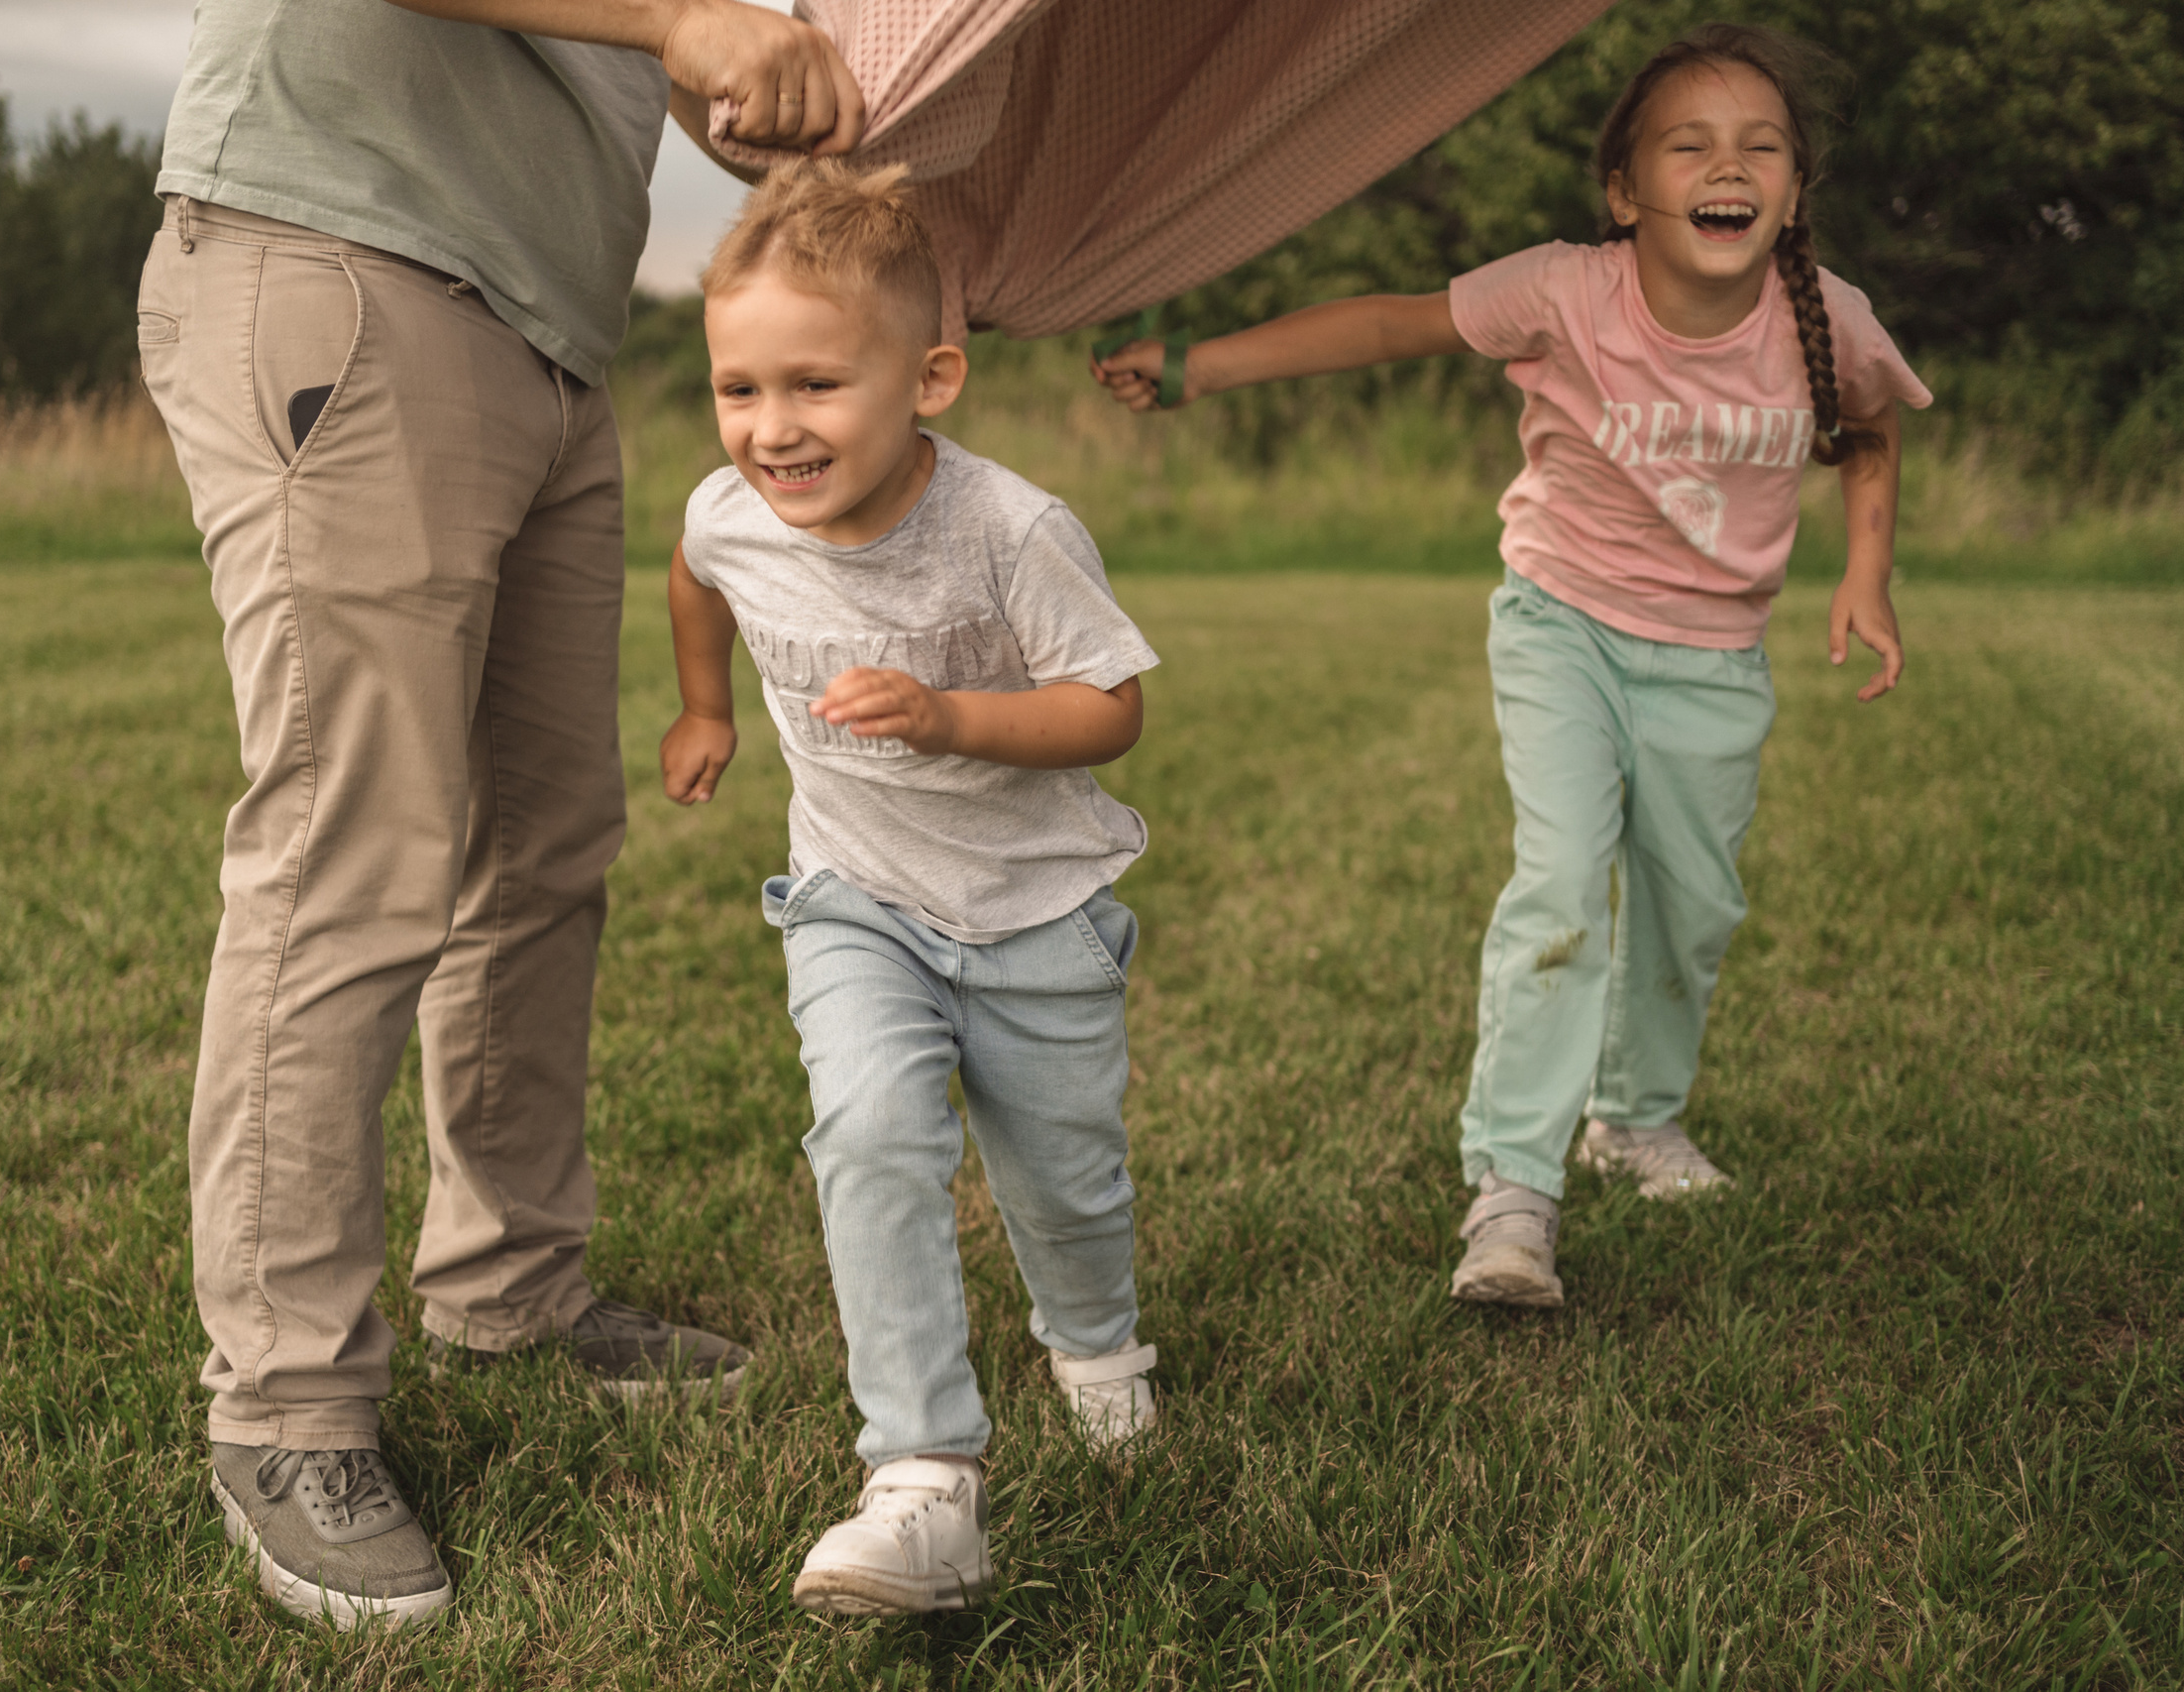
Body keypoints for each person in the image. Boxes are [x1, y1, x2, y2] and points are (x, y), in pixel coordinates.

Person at [136, 0, 864, 1631]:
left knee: (544, 847)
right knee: (356, 845)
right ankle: (285, 1407)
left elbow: (650, 67)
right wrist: (694, 21)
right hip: (352, 250)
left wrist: (725, 83)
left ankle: (508, 1287)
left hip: (546, 333)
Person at [1092, 24, 1929, 1308]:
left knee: (1692, 909)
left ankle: (1635, 1120)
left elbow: (1865, 430)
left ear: (1794, 192)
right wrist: (1203, 364)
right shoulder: (1564, 289)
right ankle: (1514, 1195)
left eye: (1761, 147)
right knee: (1557, 886)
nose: (1729, 164)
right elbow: (1387, 325)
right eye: (1690, 143)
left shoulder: (1826, 319)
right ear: (1625, 191)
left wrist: (1866, 572)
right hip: (1564, 628)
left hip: (1714, 660)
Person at [661, 161, 1162, 1616]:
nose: (771, 430)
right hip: (856, 898)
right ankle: (923, 1474)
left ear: (929, 376)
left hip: (1034, 912)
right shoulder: (733, 509)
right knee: (872, 1134)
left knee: (1063, 1181)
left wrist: (952, 717)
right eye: (737, 389)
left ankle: (1097, 1349)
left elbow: (1110, 704)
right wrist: (709, 711)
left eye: (815, 385)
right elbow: (695, 571)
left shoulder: (1011, 529)